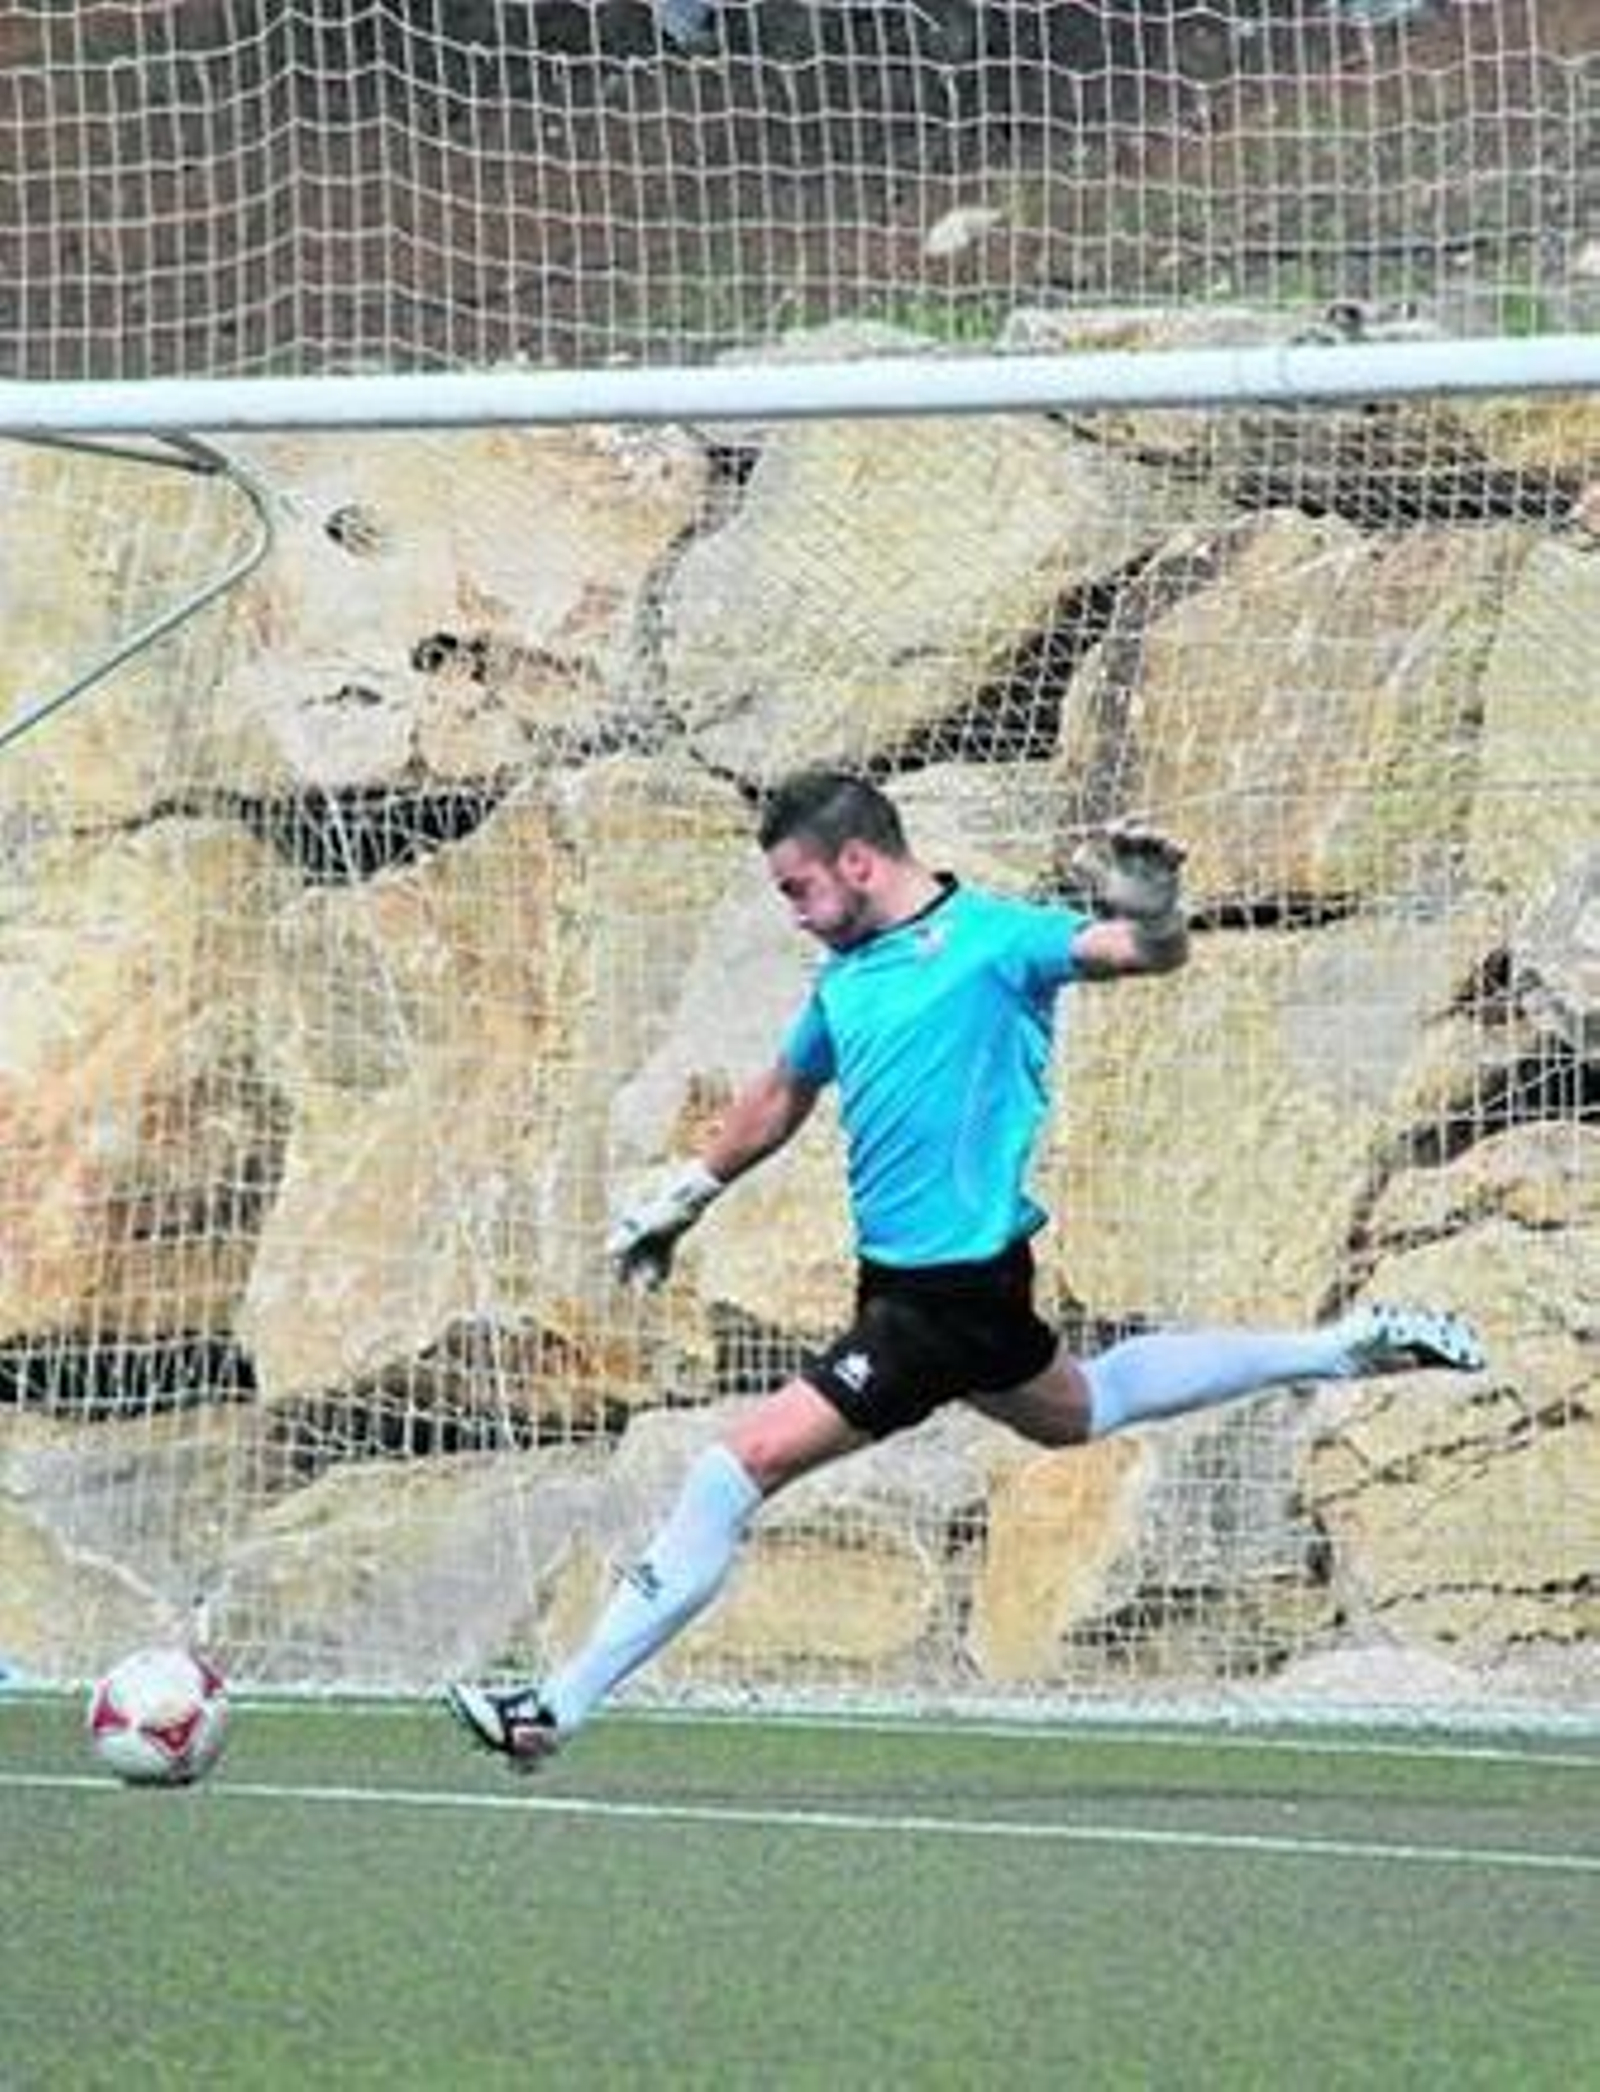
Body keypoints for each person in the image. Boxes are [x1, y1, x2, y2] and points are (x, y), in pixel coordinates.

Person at [447, 768, 1484, 1763]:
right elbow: (781, 1092)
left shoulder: (993, 939)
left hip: (939, 1301)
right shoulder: (847, 978)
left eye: (798, 888)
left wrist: (1158, 908)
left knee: (735, 1467)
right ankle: (1339, 1349)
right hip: (922, 1289)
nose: (793, 912)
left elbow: (1142, 953)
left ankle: (554, 1706)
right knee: (1079, 1405)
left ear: (857, 862)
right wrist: (687, 1190)